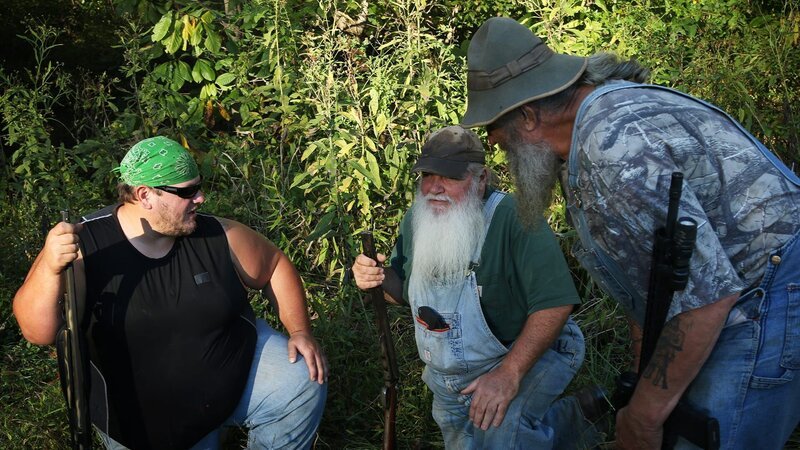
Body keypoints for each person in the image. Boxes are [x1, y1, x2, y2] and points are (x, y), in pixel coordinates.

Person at [461, 17, 800, 449]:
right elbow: (652, 281)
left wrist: (642, 417)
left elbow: (707, 299)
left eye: (494, 124)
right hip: (746, 290)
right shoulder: (595, 127)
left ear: (528, 116)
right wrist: (643, 382)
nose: (492, 140)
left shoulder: (614, 152)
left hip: (770, 291)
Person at [13, 136, 328, 450]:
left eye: (199, 187)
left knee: (300, 379)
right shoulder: (86, 247)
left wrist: (300, 331)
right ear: (145, 195)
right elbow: (37, 332)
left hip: (233, 378)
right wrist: (50, 267)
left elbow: (274, 265)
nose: (201, 198)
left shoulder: (216, 234)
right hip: (145, 426)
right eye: (187, 191)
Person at [351, 125, 604, 449]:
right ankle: (577, 416)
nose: (435, 187)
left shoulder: (515, 218)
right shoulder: (418, 218)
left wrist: (508, 374)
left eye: (451, 177)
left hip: (528, 353)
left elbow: (555, 305)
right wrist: (376, 277)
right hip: (451, 376)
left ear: (481, 178)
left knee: (501, 434)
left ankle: (558, 421)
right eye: (427, 175)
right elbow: (403, 291)